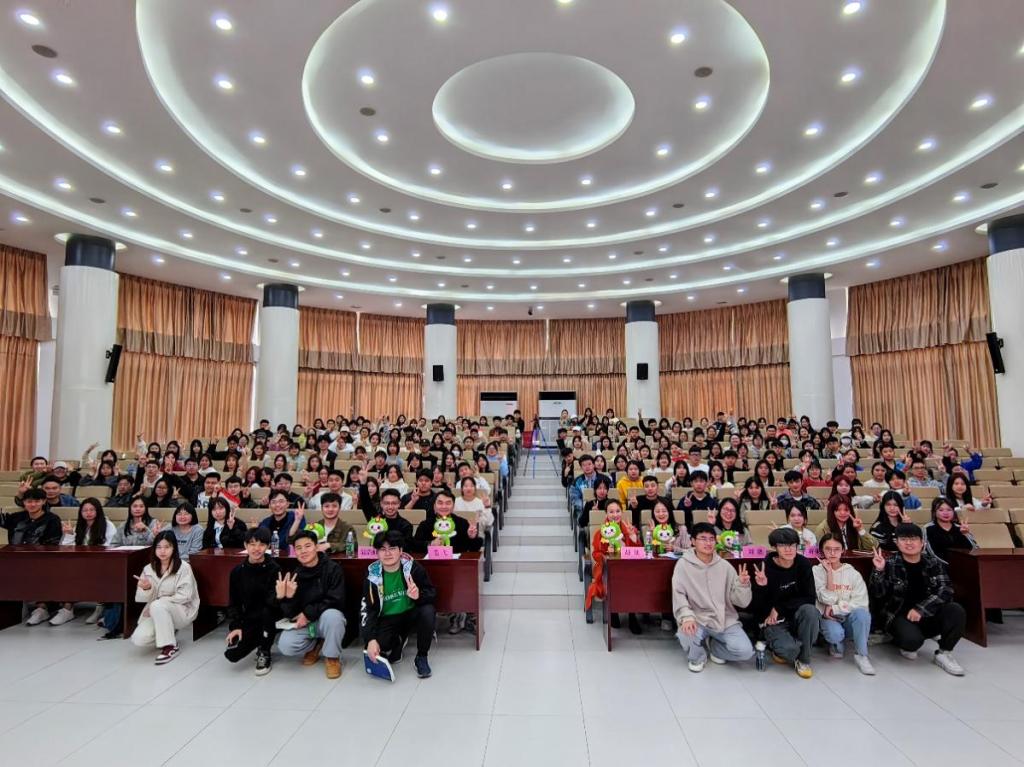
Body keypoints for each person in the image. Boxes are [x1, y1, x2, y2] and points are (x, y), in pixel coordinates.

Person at [869, 522, 966, 675]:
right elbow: (878, 594)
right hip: (899, 616)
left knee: (956, 610)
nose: (909, 543)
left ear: (922, 543)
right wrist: (879, 571)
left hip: (927, 613)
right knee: (912, 643)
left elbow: (945, 590)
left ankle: (944, 652)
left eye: (913, 539)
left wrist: (921, 609)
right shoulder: (890, 563)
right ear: (897, 543)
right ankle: (901, 639)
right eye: (903, 539)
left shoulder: (933, 562)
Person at [672, 522, 754, 672]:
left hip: (724, 619)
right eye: (703, 539)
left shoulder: (725, 566)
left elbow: (742, 602)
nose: (708, 543)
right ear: (693, 541)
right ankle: (698, 657)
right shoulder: (683, 565)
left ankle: (715, 648)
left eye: (711, 539)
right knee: (684, 634)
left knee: (745, 652)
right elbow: (679, 594)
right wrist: (686, 617)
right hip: (697, 618)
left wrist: (743, 585)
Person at [361, 530, 437, 680]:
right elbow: (367, 609)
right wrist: (370, 639)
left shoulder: (413, 567)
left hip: (411, 614)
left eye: (392, 548)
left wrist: (418, 596)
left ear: (401, 551)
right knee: (379, 646)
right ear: (377, 553)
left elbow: (431, 592)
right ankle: (398, 641)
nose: (387, 553)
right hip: (387, 618)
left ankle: (421, 657)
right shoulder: (372, 576)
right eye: (382, 549)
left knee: (428, 611)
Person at [275, 530, 346, 679]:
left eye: (307, 546)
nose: (303, 551)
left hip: (325, 619)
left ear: (317, 547)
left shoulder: (333, 568)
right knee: (285, 646)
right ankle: (316, 644)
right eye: (298, 548)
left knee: (334, 616)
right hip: (307, 624)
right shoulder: (294, 573)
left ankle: (332, 657)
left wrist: (308, 614)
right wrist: (286, 598)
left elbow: (336, 599)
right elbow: (290, 614)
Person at [751, 527, 819, 679]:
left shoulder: (803, 563)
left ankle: (804, 660)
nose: (789, 549)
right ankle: (782, 647)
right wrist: (761, 587)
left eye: (792, 545)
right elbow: (756, 607)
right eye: (783, 545)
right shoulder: (765, 567)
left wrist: (779, 608)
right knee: (790, 650)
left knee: (811, 611)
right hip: (773, 621)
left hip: (794, 616)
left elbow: (809, 598)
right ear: (774, 547)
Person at [131, 531, 200, 664]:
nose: (162, 551)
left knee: (157, 605)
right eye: (159, 547)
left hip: (182, 610)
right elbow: (141, 598)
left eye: (167, 547)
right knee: (139, 639)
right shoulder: (148, 569)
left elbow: (185, 596)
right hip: (157, 610)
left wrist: (157, 603)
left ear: (174, 548)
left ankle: (170, 646)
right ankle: (167, 629)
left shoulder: (183, 567)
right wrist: (146, 588)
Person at [813, 533, 875, 675]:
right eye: (828, 549)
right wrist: (829, 573)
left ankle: (862, 655)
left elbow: (860, 603)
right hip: (827, 619)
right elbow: (825, 600)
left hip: (846, 617)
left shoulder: (853, 573)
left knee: (862, 614)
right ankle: (836, 643)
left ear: (843, 550)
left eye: (836, 549)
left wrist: (835, 608)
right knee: (835, 635)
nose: (832, 553)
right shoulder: (816, 571)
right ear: (821, 551)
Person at [0, 488, 62, 626]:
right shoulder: (16, 518)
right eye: (29, 501)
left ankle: (42, 607)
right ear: (24, 502)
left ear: (43, 502)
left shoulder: (52, 520)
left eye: (36, 501)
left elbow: (52, 545)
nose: (32, 504)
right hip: (15, 560)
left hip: (40, 560)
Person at [51, 498, 117, 626]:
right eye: (85, 510)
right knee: (65, 571)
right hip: (81, 563)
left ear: (98, 511)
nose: (88, 513)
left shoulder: (108, 525)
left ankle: (100, 607)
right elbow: (66, 548)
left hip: (102, 562)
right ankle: (67, 609)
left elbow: (110, 547)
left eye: (92, 510)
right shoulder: (80, 526)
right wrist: (70, 534)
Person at [224, 527, 281, 676]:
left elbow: (272, 602)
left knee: (267, 613)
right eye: (252, 544)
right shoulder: (237, 572)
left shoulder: (274, 569)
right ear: (245, 545)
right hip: (249, 617)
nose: (257, 549)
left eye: (261, 545)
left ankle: (264, 651)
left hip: (270, 614)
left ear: (268, 546)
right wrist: (236, 626)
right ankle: (257, 639)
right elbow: (234, 602)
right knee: (233, 655)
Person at [925, 497, 976, 563]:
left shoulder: (960, 528)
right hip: (939, 565)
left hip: (964, 564)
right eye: (941, 510)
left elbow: (974, 549)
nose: (946, 513)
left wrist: (965, 534)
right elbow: (929, 552)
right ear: (934, 512)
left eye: (949, 510)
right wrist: (948, 564)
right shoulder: (928, 528)